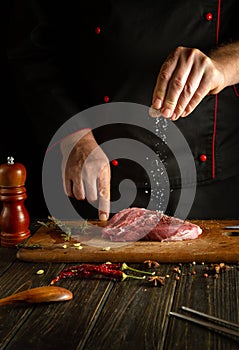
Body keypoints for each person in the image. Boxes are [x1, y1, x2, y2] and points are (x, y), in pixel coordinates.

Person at [7, 0, 239, 220]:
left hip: (211, 184)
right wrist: (73, 133)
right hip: (96, 170)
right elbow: (30, 44)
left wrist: (222, 66)